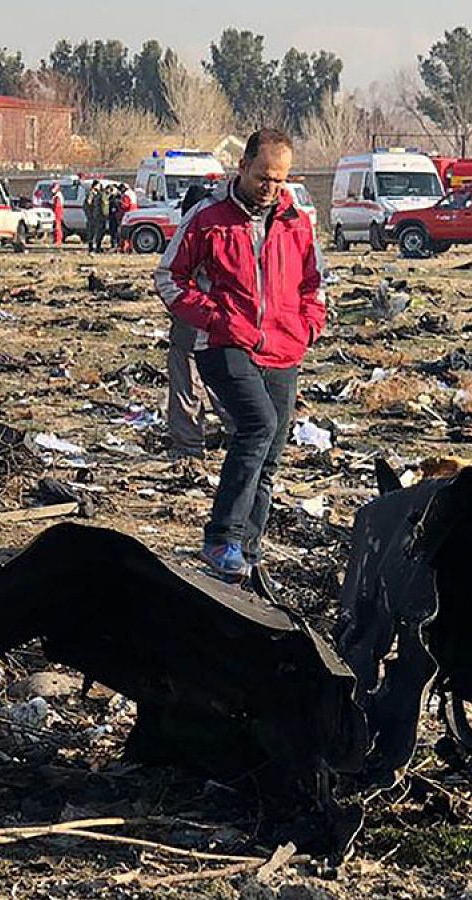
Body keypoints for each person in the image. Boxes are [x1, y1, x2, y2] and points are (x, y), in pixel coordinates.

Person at [155, 128, 326, 586]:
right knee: (258, 426)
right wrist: (217, 319)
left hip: (284, 346)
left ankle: (247, 553)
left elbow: (314, 284)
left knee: (269, 454)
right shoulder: (209, 217)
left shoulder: (297, 222)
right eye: (264, 177)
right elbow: (170, 278)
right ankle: (221, 538)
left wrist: (309, 325)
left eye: (281, 179)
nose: (271, 187)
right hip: (223, 344)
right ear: (244, 167)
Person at [83, 180, 106, 253]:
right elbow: (87, 204)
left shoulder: (100, 194)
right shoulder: (91, 193)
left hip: (99, 216)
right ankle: (91, 247)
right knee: (92, 232)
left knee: (99, 232)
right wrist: (90, 215)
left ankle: (98, 247)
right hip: (93, 217)